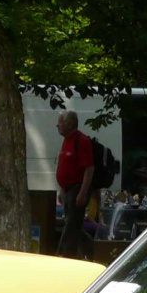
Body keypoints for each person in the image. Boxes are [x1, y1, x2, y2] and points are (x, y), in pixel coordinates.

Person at [54, 110, 97, 257]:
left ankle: (63, 255)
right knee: (74, 225)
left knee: (70, 225)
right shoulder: (66, 140)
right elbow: (64, 165)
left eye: (60, 123)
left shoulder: (82, 141)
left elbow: (89, 168)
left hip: (77, 188)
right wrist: (62, 189)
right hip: (67, 189)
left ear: (70, 124)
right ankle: (93, 250)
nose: (58, 126)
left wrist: (82, 193)